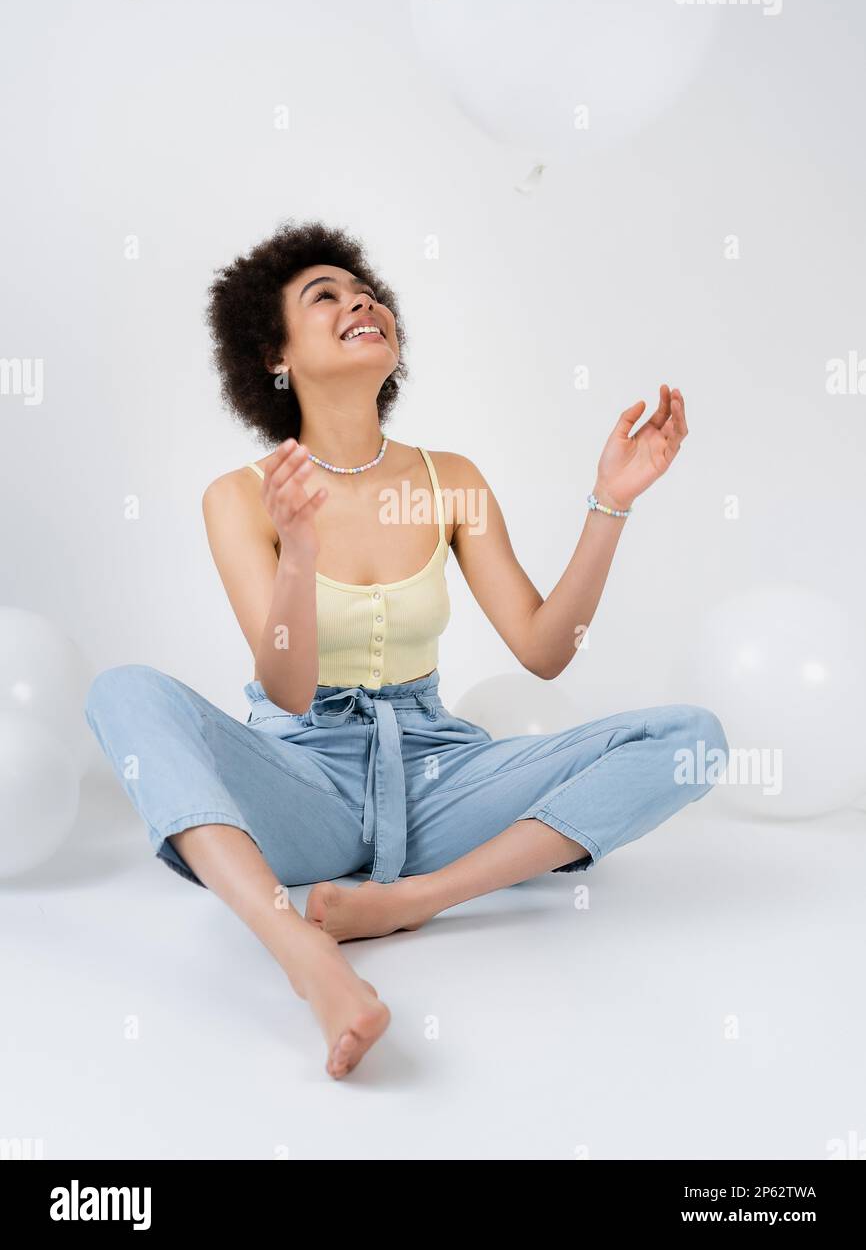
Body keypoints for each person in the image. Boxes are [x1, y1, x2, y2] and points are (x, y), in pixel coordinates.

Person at [84, 218, 728, 1080]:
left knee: (694, 739)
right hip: (301, 784)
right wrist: (299, 551)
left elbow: (545, 650)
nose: (362, 302)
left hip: (435, 781)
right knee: (122, 692)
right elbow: (284, 689)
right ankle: (303, 956)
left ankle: (410, 903)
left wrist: (610, 501)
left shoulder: (450, 478)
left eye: (368, 293)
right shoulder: (240, 497)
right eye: (327, 296)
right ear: (275, 355)